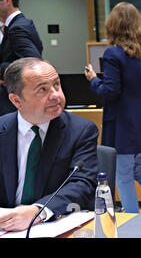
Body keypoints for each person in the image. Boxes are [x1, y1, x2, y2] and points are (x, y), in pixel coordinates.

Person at [85, 2, 141, 213]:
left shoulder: (113, 54)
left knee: (123, 175)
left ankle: (133, 222)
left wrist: (93, 80)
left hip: (124, 126)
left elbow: (110, 91)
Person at [0, 57, 98, 231]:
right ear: (16, 101)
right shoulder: (2, 130)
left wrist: (38, 211)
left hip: (53, 226)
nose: (55, 95)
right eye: (42, 90)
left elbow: (82, 184)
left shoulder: (80, 131)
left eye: (57, 85)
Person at [0, 0, 43, 116]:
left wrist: (1, 70)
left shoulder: (17, 28)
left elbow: (32, 61)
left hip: (13, 100)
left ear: (7, 0)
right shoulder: (23, 23)